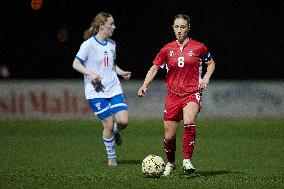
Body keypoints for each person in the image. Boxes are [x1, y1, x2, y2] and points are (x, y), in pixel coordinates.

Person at [138, 14, 215, 176]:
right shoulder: (167, 49)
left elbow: (211, 63)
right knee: (169, 136)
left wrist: (206, 78)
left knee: (189, 121)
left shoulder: (199, 47)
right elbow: (154, 68)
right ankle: (171, 163)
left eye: (182, 27)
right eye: (176, 27)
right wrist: (145, 85)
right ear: (173, 28)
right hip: (173, 96)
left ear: (188, 29)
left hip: (192, 93)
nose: (179, 30)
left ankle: (187, 160)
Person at [72, 12, 131, 166]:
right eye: (111, 24)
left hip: (113, 88)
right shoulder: (88, 45)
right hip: (96, 92)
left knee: (123, 121)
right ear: (101, 25)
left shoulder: (112, 44)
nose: (114, 26)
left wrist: (121, 72)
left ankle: (117, 131)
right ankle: (112, 159)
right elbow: (76, 64)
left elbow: (110, 64)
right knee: (108, 124)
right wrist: (91, 73)